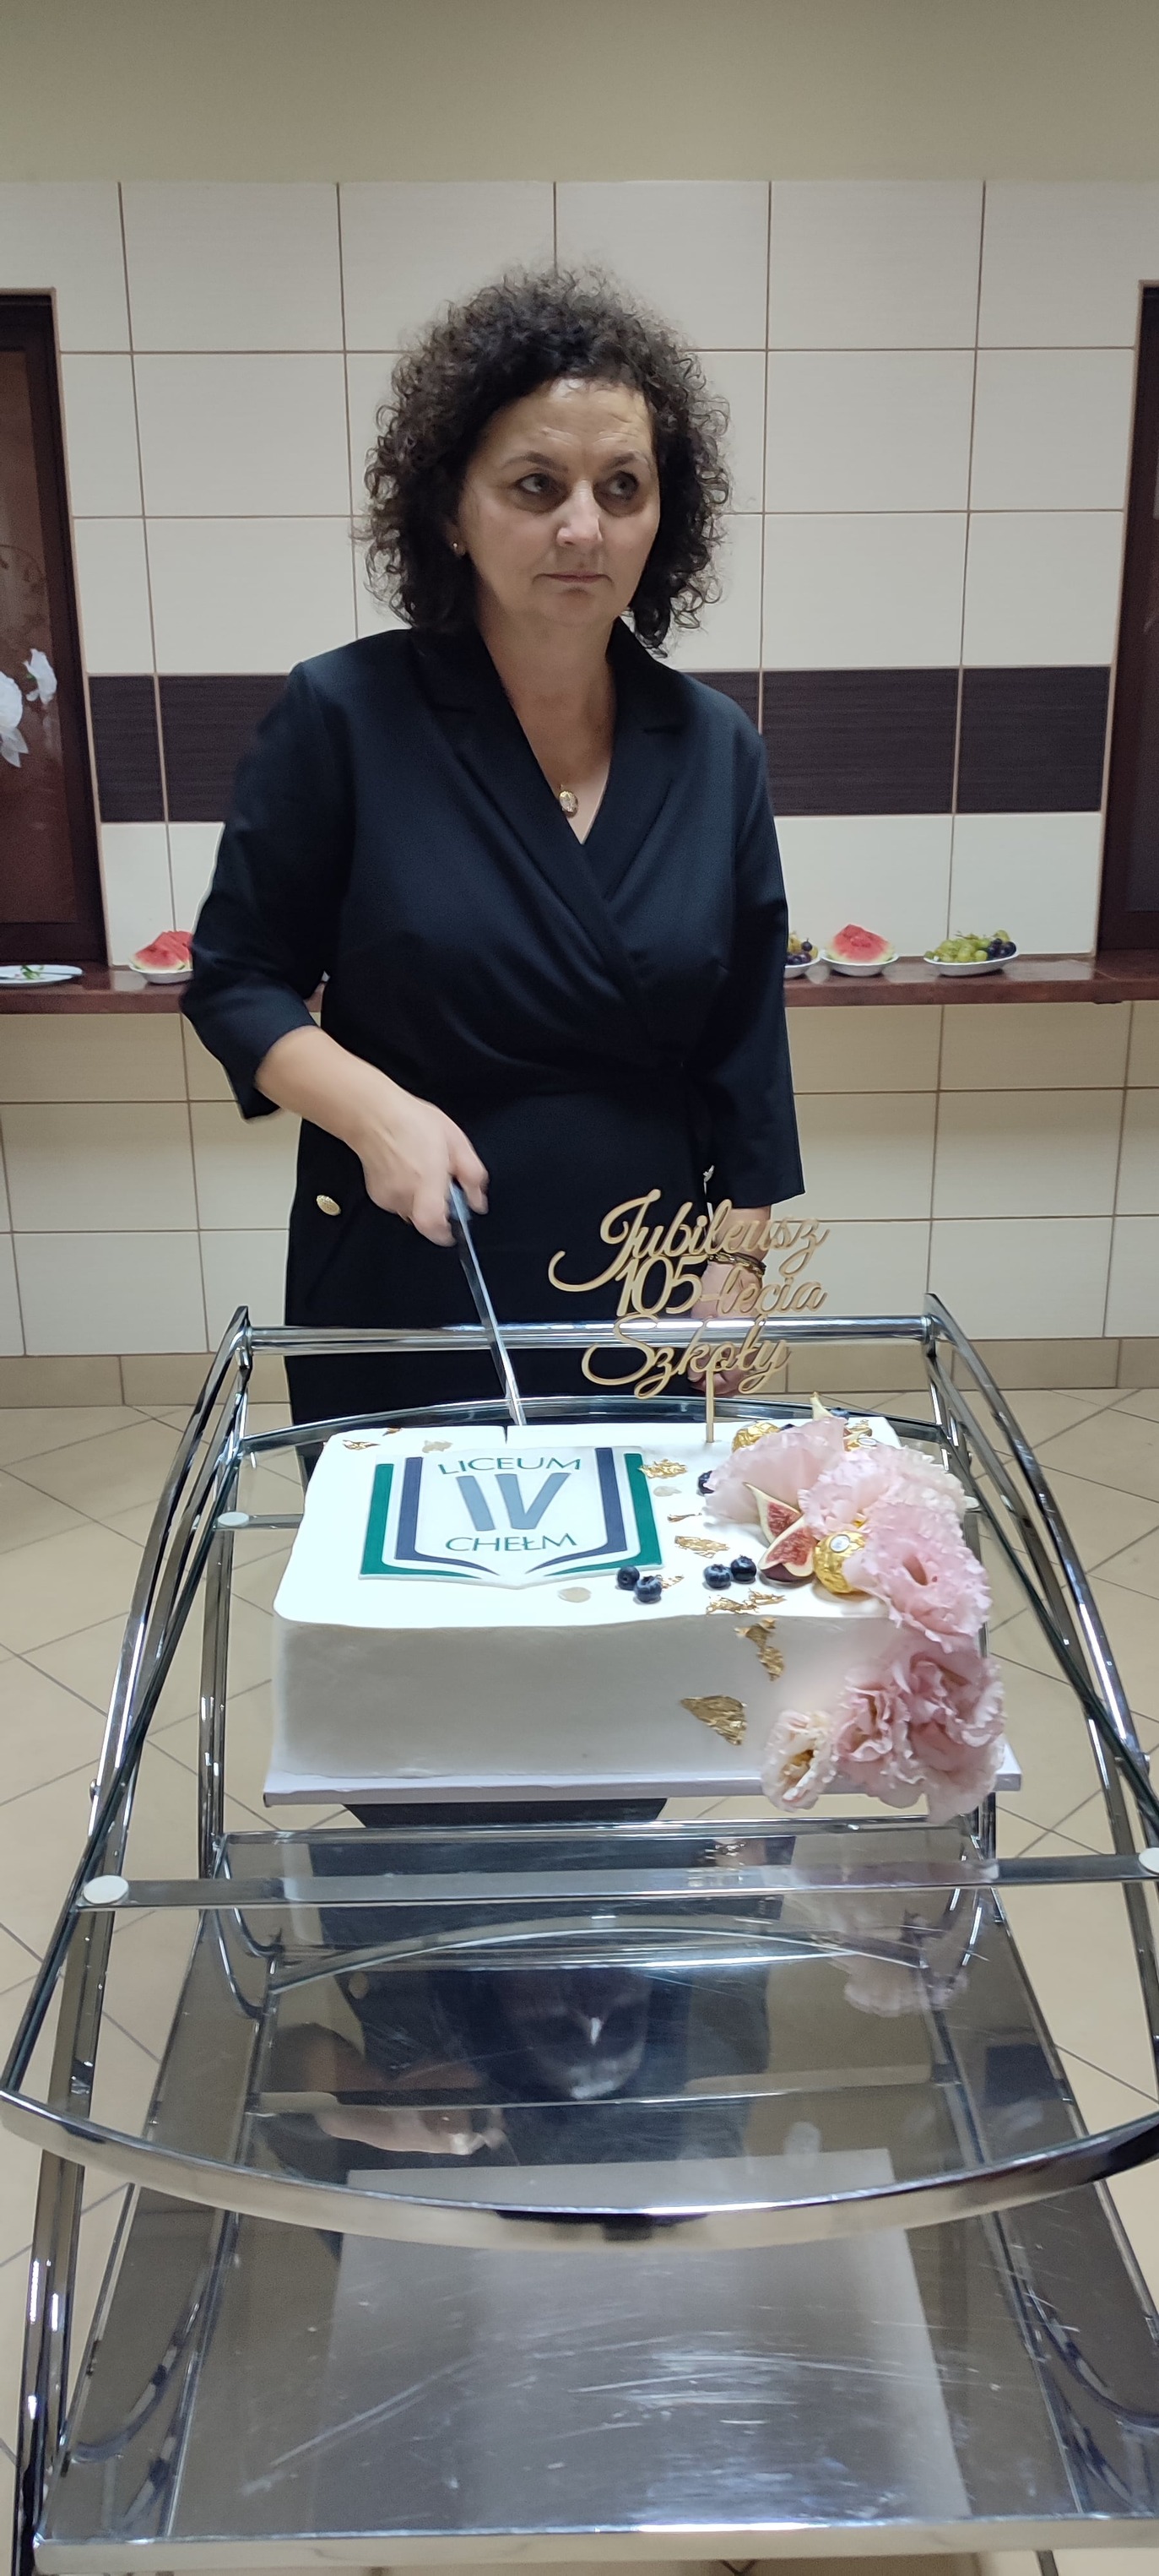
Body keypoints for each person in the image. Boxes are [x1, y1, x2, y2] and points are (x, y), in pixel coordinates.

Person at [185, 269, 802, 1825]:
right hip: (411, 1270)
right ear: (452, 511)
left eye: (621, 488)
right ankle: (423, 1952)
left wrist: (733, 1273)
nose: (581, 527)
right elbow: (237, 980)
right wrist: (371, 1107)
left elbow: (743, 1036)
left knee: (620, 1674)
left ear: (665, 518)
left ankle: (604, 1939)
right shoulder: (344, 718)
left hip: (637, 1283)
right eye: (535, 486)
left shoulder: (711, 748)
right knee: (431, 1683)